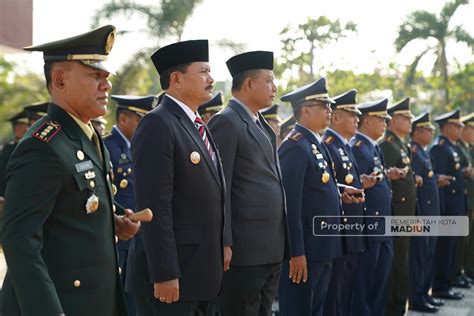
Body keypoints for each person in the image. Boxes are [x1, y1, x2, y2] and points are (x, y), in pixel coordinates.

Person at [1, 25, 140, 316]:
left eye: (106, 77)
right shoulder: (43, 146)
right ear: (60, 79)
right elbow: (20, 240)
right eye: (95, 75)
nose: (107, 85)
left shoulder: (88, 137)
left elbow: (74, 207)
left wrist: (111, 219)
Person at [131, 39, 225, 316]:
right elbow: (154, 206)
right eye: (204, 72)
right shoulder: (158, 123)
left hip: (202, 272)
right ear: (177, 79)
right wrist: (164, 272)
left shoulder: (196, 124)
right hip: (174, 276)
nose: (211, 79)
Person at [208, 50, 290, 316]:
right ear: (249, 84)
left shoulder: (262, 124)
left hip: (270, 248)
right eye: (269, 80)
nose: (275, 87)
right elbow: (220, 188)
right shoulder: (227, 122)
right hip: (244, 251)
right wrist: (224, 241)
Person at [278, 79, 363, 316]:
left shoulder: (314, 143)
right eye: (324, 106)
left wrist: (341, 192)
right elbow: (290, 205)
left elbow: (316, 183)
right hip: (306, 250)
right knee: (300, 308)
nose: (329, 111)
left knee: (316, 308)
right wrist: (296, 252)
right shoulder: (295, 146)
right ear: (305, 110)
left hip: (324, 246)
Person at [322, 89, 374, 316]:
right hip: (339, 230)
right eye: (351, 115)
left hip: (352, 231)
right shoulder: (329, 145)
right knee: (334, 292)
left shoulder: (344, 145)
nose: (357, 119)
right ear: (336, 118)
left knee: (346, 289)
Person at [104, 94, 157, 316]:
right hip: (118, 236)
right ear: (124, 118)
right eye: (140, 120)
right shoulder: (108, 147)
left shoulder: (138, 147)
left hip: (138, 236)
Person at [350, 98, 395, 316]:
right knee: (366, 280)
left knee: (381, 278)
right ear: (367, 122)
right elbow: (356, 183)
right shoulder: (359, 148)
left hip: (383, 224)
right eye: (381, 119)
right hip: (369, 226)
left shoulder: (372, 147)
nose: (385, 123)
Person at [379, 97, 419, 316]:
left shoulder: (400, 144)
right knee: (395, 264)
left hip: (406, 212)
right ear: (393, 120)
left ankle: (399, 305)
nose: (410, 121)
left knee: (402, 261)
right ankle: (392, 308)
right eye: (406, 117)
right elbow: (385, 179)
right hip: (396, 214)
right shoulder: (387, 145)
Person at [408, 112, 445, 313]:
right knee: (419, 258)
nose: (432, 133)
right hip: (421, 215)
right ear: (418, 131)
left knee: (428, 256)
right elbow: (412, 182)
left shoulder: (423, 151)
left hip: (430, 213)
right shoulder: (414, 151)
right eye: (428, 130)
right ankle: (416, 297)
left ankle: (424, 294)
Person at [430, 109, 466, 300]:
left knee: (452, 246)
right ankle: (440, 286)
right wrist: (442, 210)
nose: (460, 129)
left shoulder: (452, 147)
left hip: (456, 205)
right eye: (456, 125)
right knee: (444, 248)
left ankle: (448, 281)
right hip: (447, 207)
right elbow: (440, 183)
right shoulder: (440, 148)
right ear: (446, 127)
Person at [0, 109, 30, 198]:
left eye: (25, 127)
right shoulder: (8, 149)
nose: (22, 129)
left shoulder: (33, 148)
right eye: (18, 127)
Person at [461, 113, 474, 279]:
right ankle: (464, 269)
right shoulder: (460, 148)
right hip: (463, 200)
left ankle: (468, 269)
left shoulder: (467, 148)